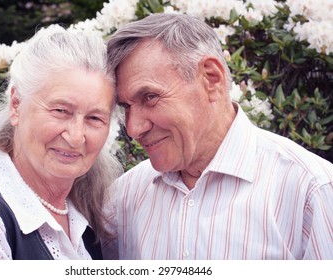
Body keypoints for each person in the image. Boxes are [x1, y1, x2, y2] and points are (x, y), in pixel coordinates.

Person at [102, 13, 333, 260]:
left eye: (150, 97)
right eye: (126, 107)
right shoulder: (125, 196)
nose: (134, 128)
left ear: (211, 78)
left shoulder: (310, 190)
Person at [0, 25, 123, 260]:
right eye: (60, 111)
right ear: (16, 105)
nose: (76, 136)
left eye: (94, 118)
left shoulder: (88, 216)